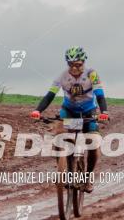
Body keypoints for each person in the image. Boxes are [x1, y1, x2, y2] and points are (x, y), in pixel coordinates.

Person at [31, 46, 109, 191]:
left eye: (78, 65)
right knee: (59, 136)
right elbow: (49, 96)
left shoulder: (92, 74)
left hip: (88, 111)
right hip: (69, 111)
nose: (74, 68)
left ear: (83, 62)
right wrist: (37, 110)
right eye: (71, 65)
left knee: (93, 144)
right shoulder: (62, 76)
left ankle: (87, 177)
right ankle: (63, 168)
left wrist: (104, 112)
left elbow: (100, 95)